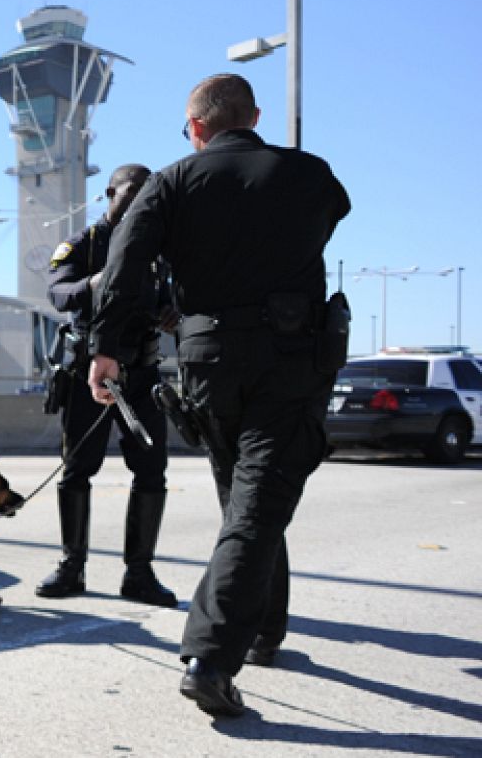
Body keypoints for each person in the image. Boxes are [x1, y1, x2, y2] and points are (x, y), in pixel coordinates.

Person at [88, 73, 350, 718]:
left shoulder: (170, 183)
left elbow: (123, 270)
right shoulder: (310, 173)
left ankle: (264, 628)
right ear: (253, 116)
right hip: (290, 358)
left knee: (248, 497)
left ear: (197, 127)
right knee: (258, 503)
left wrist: (107, 351)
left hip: (209, 362)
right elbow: (331, 218)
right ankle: (211, 656)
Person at [36, 164, 177, 608]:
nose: (139, 201)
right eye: (131, 192)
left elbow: (173, 296)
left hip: (142, 374)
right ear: (109, 193)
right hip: (89, 376)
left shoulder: (158, 248)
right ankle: (71, 567)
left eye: (147, 193)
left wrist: (172, 309)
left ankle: (139, 573)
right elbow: (57, 293)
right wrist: (99, 282)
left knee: (152, 470)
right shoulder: (85, 243)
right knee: (78, 469)